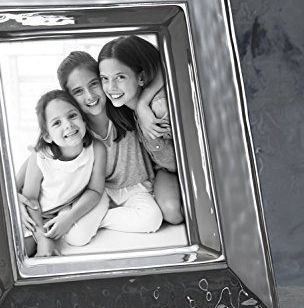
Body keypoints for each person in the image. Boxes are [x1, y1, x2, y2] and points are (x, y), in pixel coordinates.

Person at [56, 51, 163, 234]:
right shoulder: (74, 127)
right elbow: (40, 153)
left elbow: (163, 67)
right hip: (99, 193)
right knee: (76, 236)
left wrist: (143, 103)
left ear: (103, 80)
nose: (90, 96)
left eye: (94, 84)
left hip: (136, 188)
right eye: (78, 91)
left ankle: (99, 220)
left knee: (151, 219)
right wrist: (16, 192)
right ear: (69, 98)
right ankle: (90, 220)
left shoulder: (124, 106)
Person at [97, 35, 184, 225]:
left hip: (188, 167)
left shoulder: (159, 108)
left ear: (141, 78)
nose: (111, 87)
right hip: (166, 170)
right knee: (173, 214)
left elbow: (173, 58)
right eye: (105, 79)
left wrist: (143, 103)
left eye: (120, 77)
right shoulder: (124, 108)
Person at [21, 89, 108, 257]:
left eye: (72, 116)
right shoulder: (40, 156)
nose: (68, 125)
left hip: (64, 209)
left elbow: (95, 190)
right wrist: (42, 238)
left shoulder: (97, 149)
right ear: (47, 136)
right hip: (37, 215)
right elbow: (30, 200)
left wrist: (70, 218)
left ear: (84, 120)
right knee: (23, 250)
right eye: (57, 123)